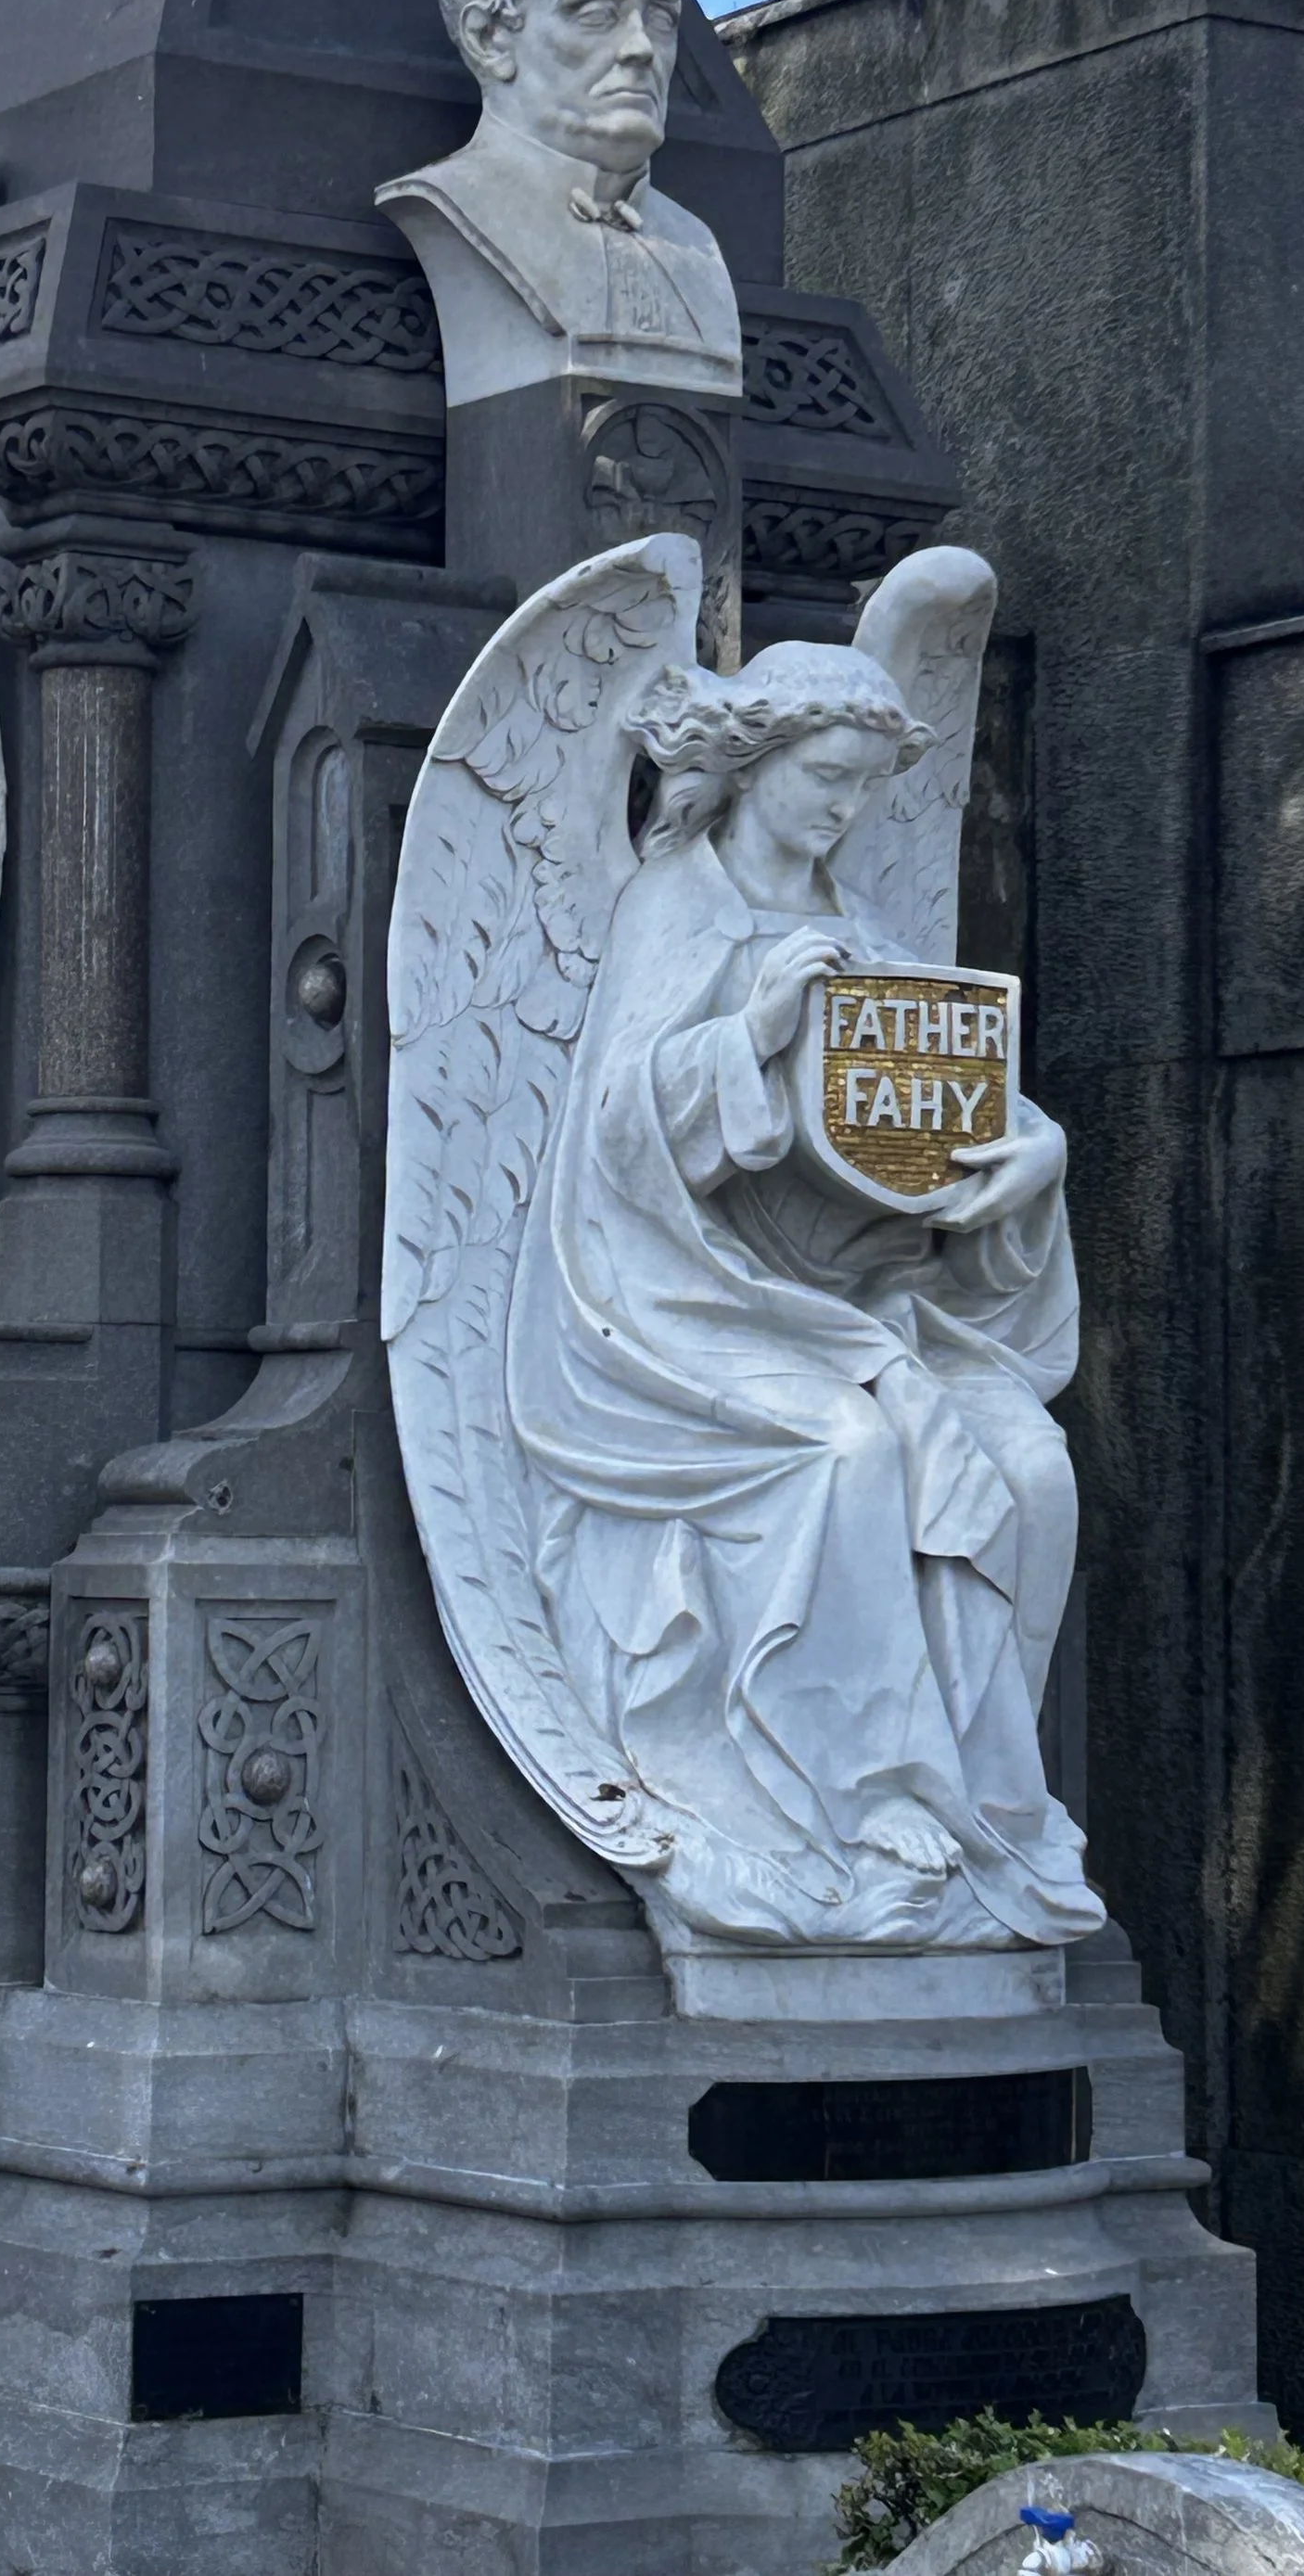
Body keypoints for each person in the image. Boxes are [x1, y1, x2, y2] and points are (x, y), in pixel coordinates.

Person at [505, 638, 1105, 1947]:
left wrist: (1033, 1158)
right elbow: (615, 1133)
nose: (845, 809)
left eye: (864, 788)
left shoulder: (861, 929)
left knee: (1032, 1467)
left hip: (863, 1307)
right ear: (760, 762)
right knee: (849, 1450)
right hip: (680, 1306)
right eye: (826, 778)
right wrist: (752, 1029)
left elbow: (925, 1111)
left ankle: (993, 1802)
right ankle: (863, 1784)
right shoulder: (678, 908)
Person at [378, 0, 740, 402]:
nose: (642, 48)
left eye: (660, 17)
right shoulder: (448, 207)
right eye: (596, 13)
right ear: (489, 40)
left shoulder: (698, 247)